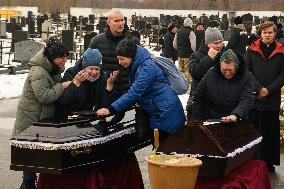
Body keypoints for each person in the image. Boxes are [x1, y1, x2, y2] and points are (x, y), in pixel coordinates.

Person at [97, 38, 186, 141]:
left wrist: (110, 109)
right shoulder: (139, 65)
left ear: (131, 56)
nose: (120, 62)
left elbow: (134, 92)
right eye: (118, 59)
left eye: (122, 59)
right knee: (160, 150)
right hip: (159, 110)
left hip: (165, 113)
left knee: (165, 151)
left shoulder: (147, 67)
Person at [12, 39, 70, 189]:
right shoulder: (38, 71)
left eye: (66, 57)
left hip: (41, 122)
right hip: (30, 123)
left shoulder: (52, 68)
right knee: (29, 170)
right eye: (62, 57)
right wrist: (62, 86)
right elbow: (44, 96)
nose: (65, 60)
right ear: (52, 57)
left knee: (38, 164)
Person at [244, 21, 284, 172]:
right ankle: (253, 160)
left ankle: (268, 161)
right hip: (255, 97)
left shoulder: (281, 50)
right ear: (260, 33)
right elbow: (246, 71)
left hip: (271, 97)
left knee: (269, 130)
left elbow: (283, 74)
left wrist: (269, 89)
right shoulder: (252, 49)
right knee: (254, 128)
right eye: (265, 32)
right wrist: (259, 88)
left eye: (270, 32)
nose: (267, 35)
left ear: (275, 33)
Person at [189, 49, 253, 122]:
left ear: (237, 67)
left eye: (230, 70)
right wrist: (198, 119)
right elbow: (198, 97)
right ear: (220, 66)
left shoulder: (246, 77)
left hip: (235, 119)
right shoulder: (211, 74)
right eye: (224, 69)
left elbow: (246, 100)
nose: (227, 73)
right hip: (211, 118)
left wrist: (235, 115)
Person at [55, 48, 117, 117]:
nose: (94, 72)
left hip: (88, 116)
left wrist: (109, 88)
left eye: (97, 69)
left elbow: (103, 106)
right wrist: (75, 83)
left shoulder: (102, 77)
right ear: (84, 68)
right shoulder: (71, 73)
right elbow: (63, 102)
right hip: (69, 116)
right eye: (91, 68)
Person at [89, 9, 138, 96]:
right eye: (116, 21)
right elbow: (85, 63)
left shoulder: (132, 41)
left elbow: (140, 65)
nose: (120, 23)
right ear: (108, 22)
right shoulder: (97, 41)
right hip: (106, 91)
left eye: (122, 20)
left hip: (128, 91)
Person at [188, 27, 224, 97]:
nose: (219, 45)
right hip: (202, 97)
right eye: (215, 43)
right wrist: (209, 58)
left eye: (220, 42)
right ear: (208, 44)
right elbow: (195, 73)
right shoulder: (196, 56)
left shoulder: (225, 54)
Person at [174, 17, 196, 82]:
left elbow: (174, 44)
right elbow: (193, 46)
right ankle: (187, 84)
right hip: (188, 55)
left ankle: (180, 84)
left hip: (180, 54)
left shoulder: (178, 32)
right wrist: (194, 53)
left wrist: (179, 50)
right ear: (190, 24)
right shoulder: (191, 32)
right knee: (187, 71)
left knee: (180, 70)